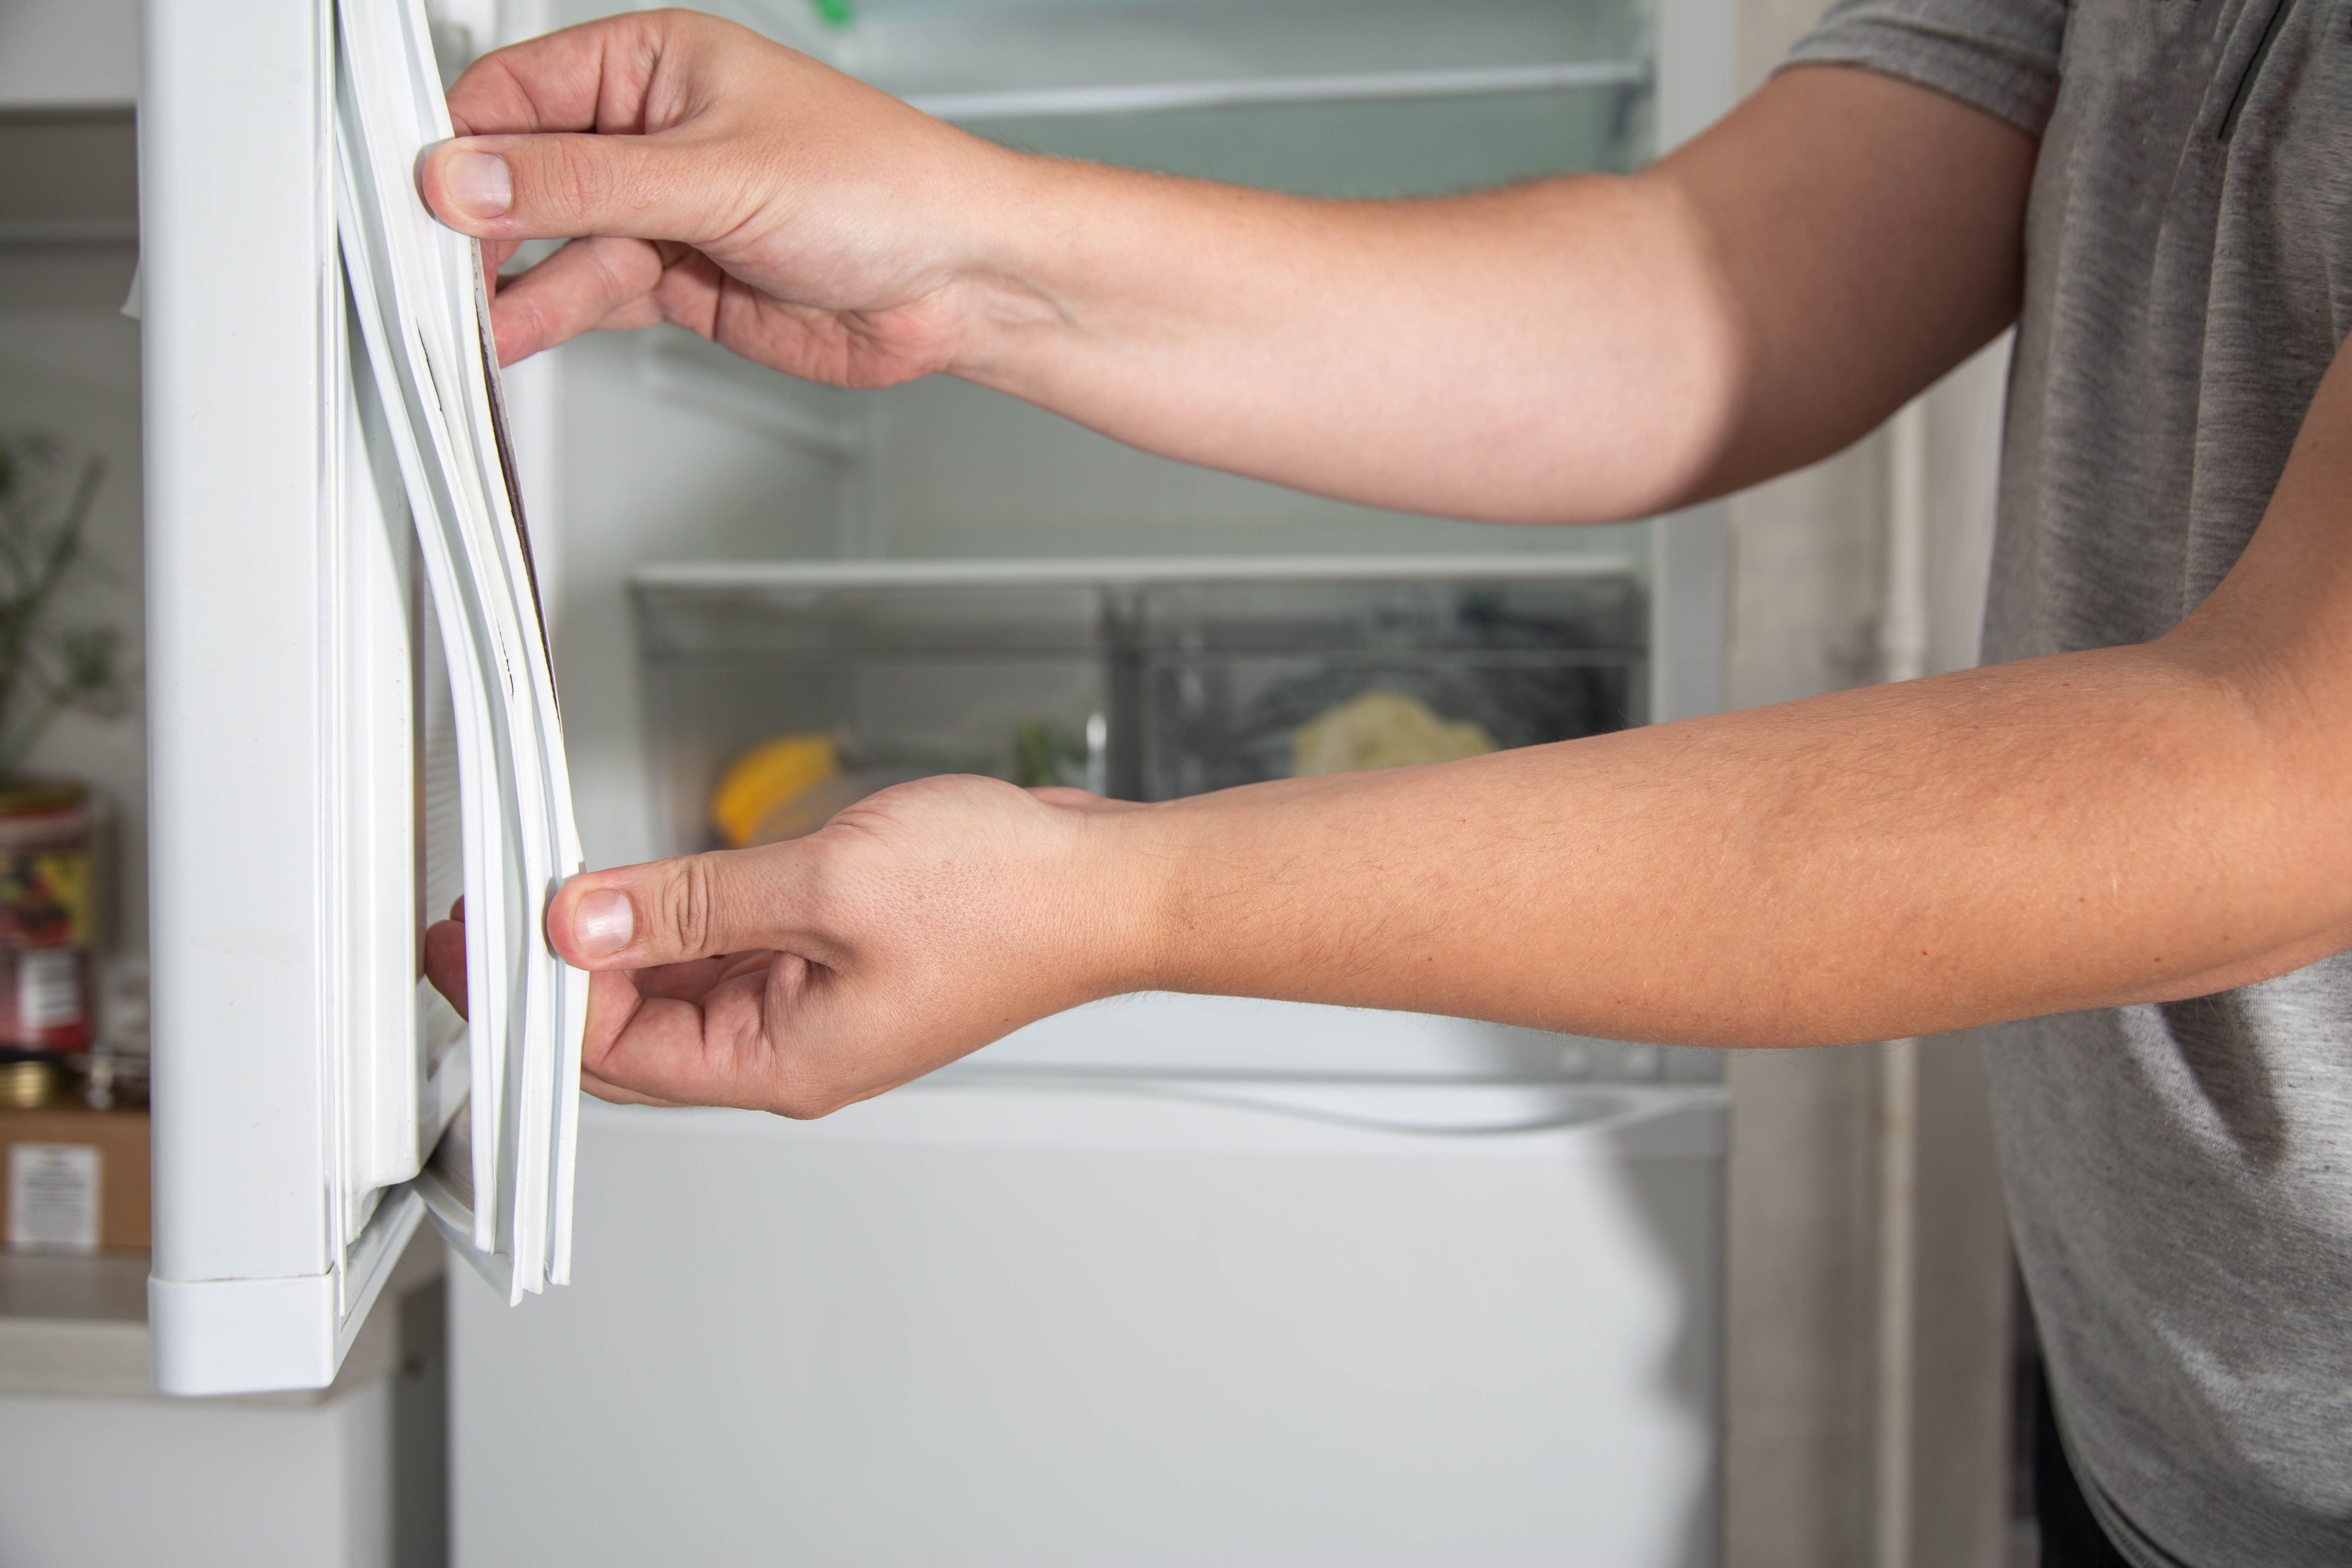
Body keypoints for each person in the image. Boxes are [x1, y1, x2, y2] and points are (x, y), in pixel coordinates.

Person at [412, 3, 2352, 1563]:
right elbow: (1714, 299)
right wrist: (963, 258)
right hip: (2152, 1410)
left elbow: (2273, 779)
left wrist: (1115, 894)